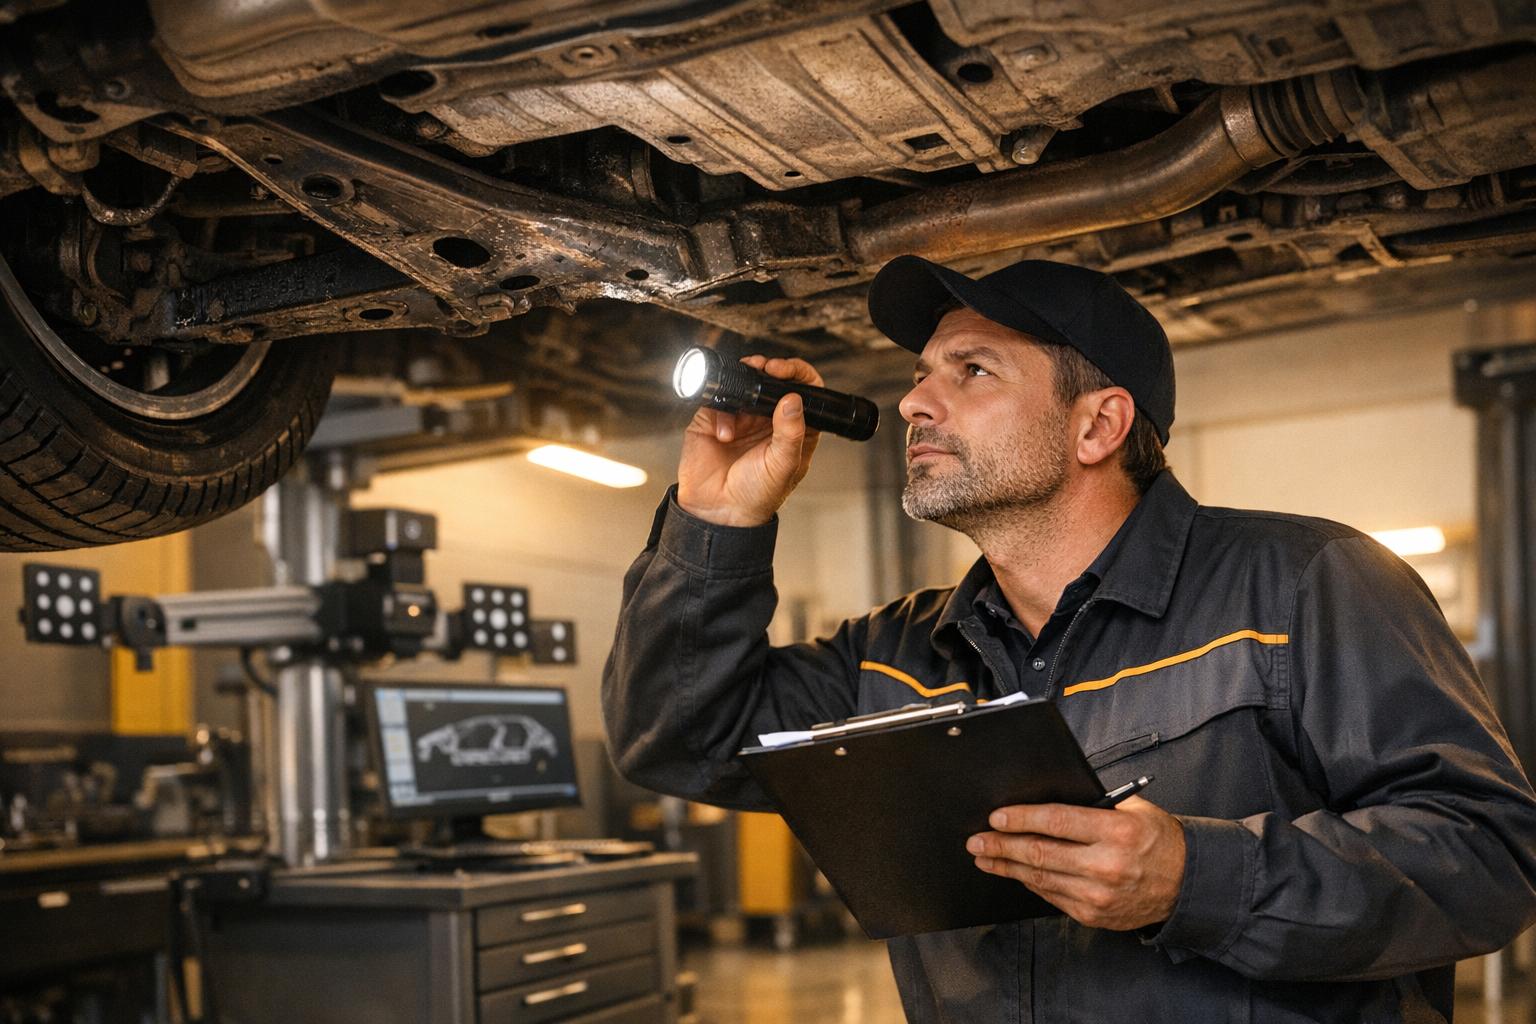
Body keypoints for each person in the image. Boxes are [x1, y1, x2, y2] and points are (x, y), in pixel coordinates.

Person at [602, 254, 1536, 1022]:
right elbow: (675, 739)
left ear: (1099, 423)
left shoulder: (1304, 584)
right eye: (922, 375)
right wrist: (715, 524)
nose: (919, 404)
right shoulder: (892, 654)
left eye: (972, 371)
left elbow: (1489, 854)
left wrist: (1195, 880)